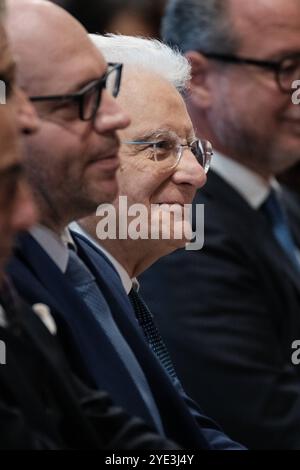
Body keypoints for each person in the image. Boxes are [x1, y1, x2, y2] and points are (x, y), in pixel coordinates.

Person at [6, 0, 242, 446]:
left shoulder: (92, 271)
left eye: (193, 149)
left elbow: (177, 432)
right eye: (158, 146)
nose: (197, 174)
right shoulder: (34, 275)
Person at [140, 0, 300, 449]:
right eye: (286, 66)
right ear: (201, 79)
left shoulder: (278, 202)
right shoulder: (183, 228)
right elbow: (262, 421)